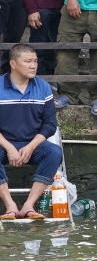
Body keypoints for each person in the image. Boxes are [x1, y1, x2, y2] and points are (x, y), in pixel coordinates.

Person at [0, 45, 65, 220]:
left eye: (35, 61)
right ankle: (10, 205)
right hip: (3, 144)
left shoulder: (43, 87)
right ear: (13, 63)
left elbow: (50, 125)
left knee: (54, 152)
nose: (33, 65)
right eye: (28, 61)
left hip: (32, 144)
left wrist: (30, 147)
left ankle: (29, 205)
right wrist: (9, 148)